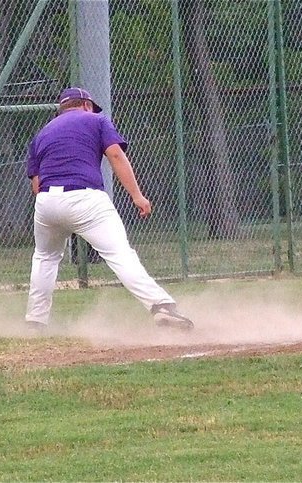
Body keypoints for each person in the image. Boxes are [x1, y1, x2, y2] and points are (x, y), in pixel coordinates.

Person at [25, 87, 193, 332]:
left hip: (47, 201)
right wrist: (137, 195)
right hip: (85, 197)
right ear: (85, 104)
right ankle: (161, 306)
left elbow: (36, 184)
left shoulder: (43, 133)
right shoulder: (96, 120)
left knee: (45, 258)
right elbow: (115, 154)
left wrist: (55, 208)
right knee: (119, 254)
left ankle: (35, 322)